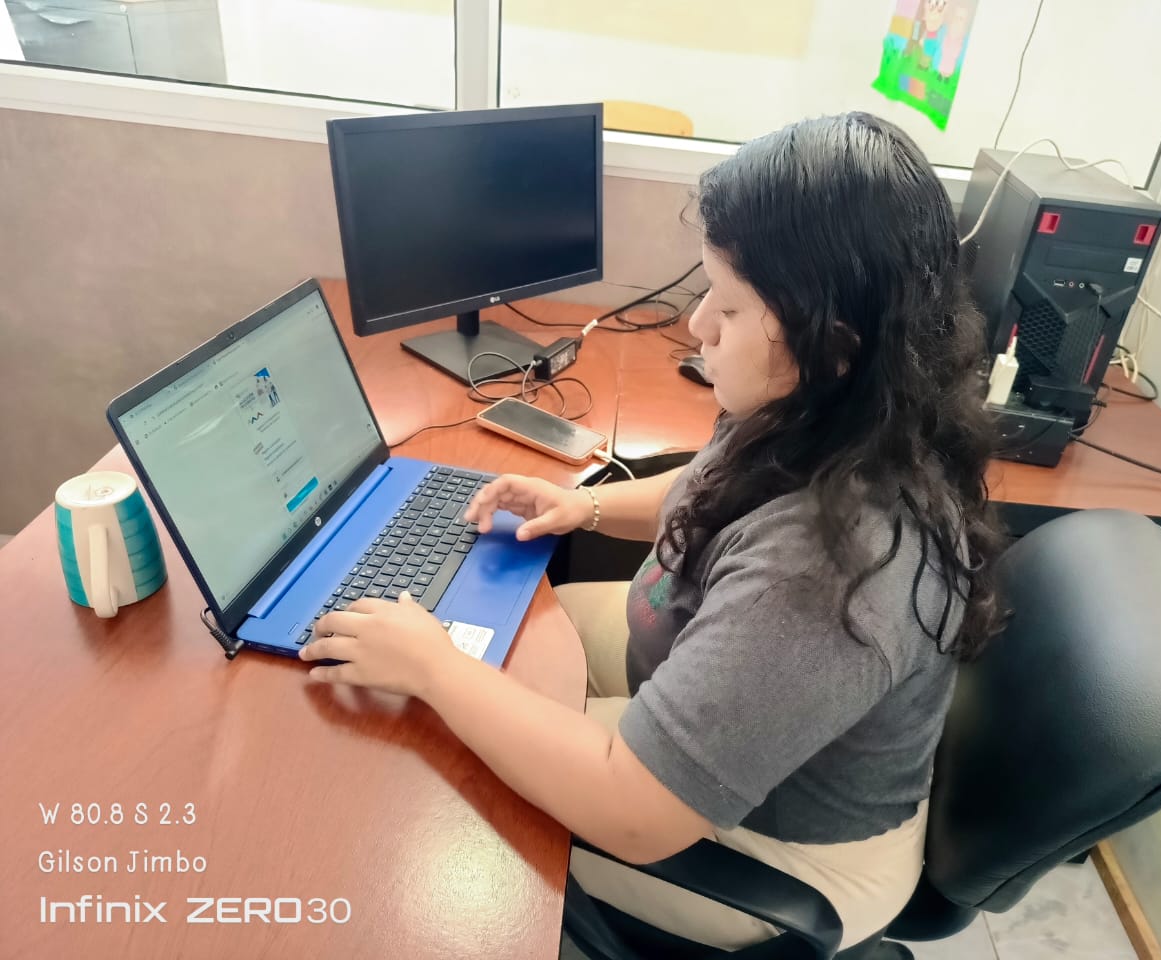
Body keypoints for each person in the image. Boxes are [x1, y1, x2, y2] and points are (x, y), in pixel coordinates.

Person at [300, 111, 1004, 951]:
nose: (699, 325)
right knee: (504, 641)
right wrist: (586, 507)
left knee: (439, 815)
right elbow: (713, 482)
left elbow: (634, 815)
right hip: (716, 681)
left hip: (769, 855)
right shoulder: (840, 407)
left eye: (730, 307)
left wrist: (435, 669)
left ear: (834, 341)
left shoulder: (828, 573)